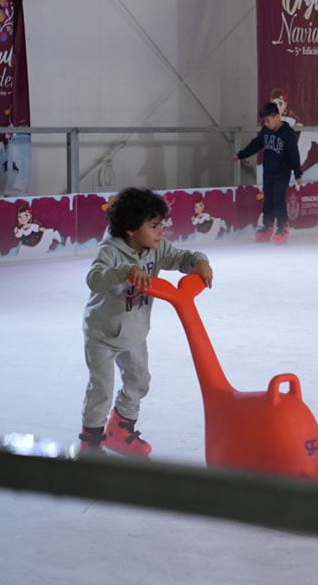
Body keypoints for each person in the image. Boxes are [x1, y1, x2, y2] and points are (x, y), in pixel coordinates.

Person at [79, 187, 214, 456]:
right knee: (102, 390)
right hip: (103, 334)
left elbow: (182, 257)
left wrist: (201, 262)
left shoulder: (156, 249)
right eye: (154, 226)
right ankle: (90, 447)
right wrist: (125, 271)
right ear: (130, 229)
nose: (161, 232)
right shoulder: (111, 252)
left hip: (135, 332)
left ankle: (120, 431)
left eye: (161, 225)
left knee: (140, 381)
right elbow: (94, 278)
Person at [233, 101, 304, 243]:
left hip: (281, 174)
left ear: (277, 117)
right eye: (264, 121)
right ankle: (267, 227)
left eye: (268, 121)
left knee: (278, 200)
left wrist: (297, 173)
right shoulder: (266, 132)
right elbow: (256, 144)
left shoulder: (287, 134)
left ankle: (283, 228)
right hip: (268, 173)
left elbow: (294, 154)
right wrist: (241, 155)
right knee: (268, 202)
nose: (266, 124)